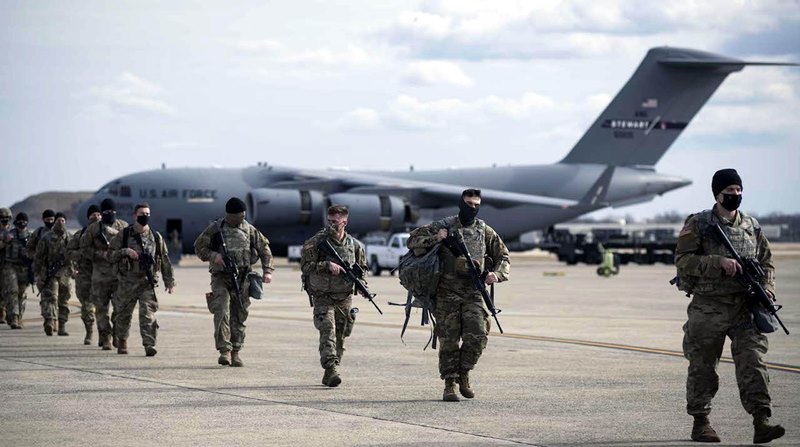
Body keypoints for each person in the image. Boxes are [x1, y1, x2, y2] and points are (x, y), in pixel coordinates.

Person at [675, 168, 785, 444]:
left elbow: (767, 261)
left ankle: (762, 421)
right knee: (702, 367)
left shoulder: (751, 226)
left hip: (744, 307)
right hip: (708, 308)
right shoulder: (699, 224)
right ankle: (701, 423)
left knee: (754, 363)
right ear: (717, 194)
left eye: (738, 191)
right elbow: (683, 261)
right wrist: (717, 263)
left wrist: (768, 289)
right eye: (729, 192)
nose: (735, 196)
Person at [406, 188, 510, 401]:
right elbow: (412, 241)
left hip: (473, 291)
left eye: (476, 205)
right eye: (469, 204)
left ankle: (464, 372)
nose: (473, 208)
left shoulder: (484, 231)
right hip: (447, 293)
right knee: (449, 340)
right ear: (461, 204)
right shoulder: (444, 225)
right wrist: (436, 237)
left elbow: (503, 256)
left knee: (478, 335)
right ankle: (449, 383)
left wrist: (496, 274)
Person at [193, 197, 273, 367]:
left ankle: (236, 351)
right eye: (236, 217)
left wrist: (267, 270)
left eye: (242, 216)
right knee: (222, 311)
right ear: (228, 216)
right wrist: (214, 256)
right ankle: (224, 351)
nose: (239, 220)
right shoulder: (216, 229)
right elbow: (199, 247)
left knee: (240, 315)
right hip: (221, 277)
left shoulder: (249, 229)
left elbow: (264, 248)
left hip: (242, 278)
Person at [300, 205, 367, 387]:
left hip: (344, 297)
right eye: (329, 221)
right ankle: (331, 369)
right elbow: (306, 266)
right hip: (323, 296)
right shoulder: (316, 242)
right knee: (328, 330)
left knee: (341, 336)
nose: (331, 225)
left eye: (335, 222)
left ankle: (332, 368)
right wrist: (326, 265)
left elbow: (362, 268)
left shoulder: (355, 245)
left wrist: (362, 285)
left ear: (345, 222)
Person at [109, 203, 175, 356]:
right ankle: (122, 341)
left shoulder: (155, 236)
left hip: (147, 282)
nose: (145, 216)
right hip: (127, 282)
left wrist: (169, 281)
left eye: (147, 213)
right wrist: (126, 251)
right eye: (142, 213)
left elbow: (164, 259)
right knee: (123, 315)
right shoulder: (124, 235)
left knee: (148, 314)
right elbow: (110, 255)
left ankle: (149, 344)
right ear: (135, 215)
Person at [80, 198, 128, 350]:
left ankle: (117, 334)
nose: (110, 214)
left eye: (112, 211)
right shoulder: (93, 229)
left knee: (120, 308)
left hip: (119, 275)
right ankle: (105, 336)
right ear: (102, 212)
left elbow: (130, 245)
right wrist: (100, 254)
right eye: (106, 212)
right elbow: (84, 249)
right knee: (101, 309)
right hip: (100, 276)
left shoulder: (123, 227)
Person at [34, 212, 73, 336]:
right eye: (58, 220)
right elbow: (39, 256)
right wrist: (38, 273)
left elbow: (75, 255)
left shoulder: (69, 237)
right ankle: (49, 322)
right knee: (51, 298)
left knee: (64, 300)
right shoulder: (46, 237)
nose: (60, 222)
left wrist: (75, 269)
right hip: (50, 272)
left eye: (63, 220)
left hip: (65, 273)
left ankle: (62, 326)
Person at [67, 204, 101, 344]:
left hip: (103, 275)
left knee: (103, 307)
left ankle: (105, 335)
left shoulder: (107, 233)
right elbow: (68, 252)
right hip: (85, 276)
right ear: (88, 217)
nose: (96, 217)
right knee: (87, 306)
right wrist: (83, 253)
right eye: (93, 214)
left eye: (98, 214)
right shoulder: (80, 235)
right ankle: (89, 332)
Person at [1, 213, 33, 329]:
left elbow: (36, 252)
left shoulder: (30, 236)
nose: (21, 223)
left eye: (24, 221)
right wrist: (5, 241)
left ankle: (19, 318)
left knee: (22, 294)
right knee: (12, 291)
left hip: (24, 268)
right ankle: (14, 317)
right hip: (10, 266)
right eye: (19, 221)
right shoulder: (9, 234)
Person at [0, 207, 12, 324]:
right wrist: (4, 241)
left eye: (7, 218)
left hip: (10, 266)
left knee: (9, 290)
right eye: (2, 218)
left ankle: (9, 314)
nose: (5, 220)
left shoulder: (14, 231)